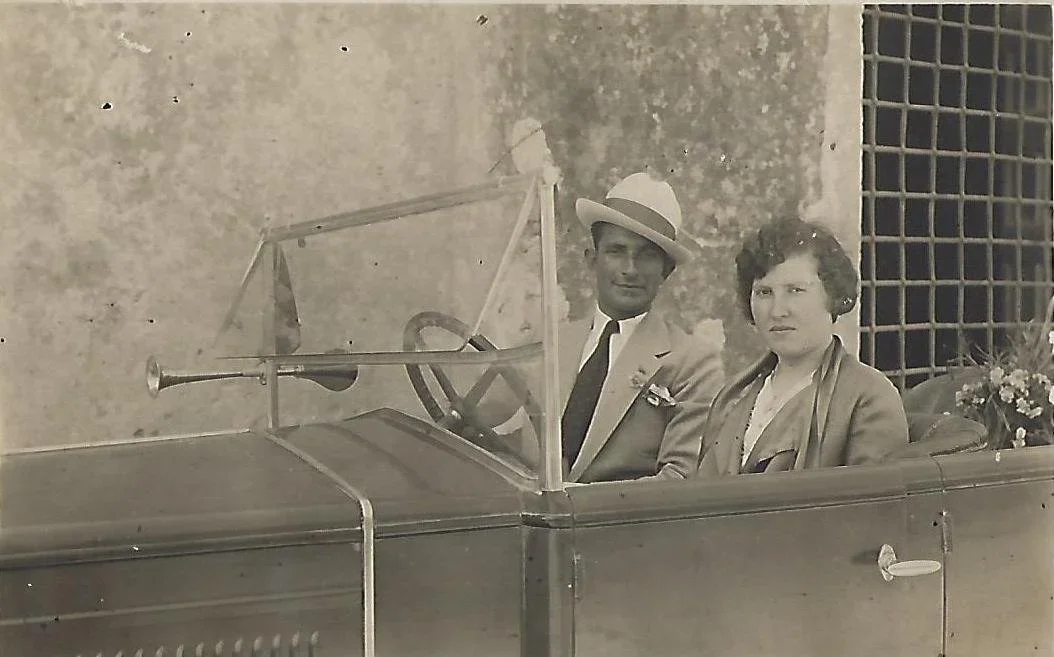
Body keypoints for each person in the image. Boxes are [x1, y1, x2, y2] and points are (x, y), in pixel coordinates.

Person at [478, 172, 724, 483]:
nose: (630, 269)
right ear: (591, 260)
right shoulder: (553, 345)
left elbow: (679, 479)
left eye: (647, 256)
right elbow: (507, 436)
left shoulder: (694, 363)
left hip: (618, 527)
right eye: (616, 251)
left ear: (666, 270)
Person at [695, 217, 908, 476]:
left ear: (832, 295)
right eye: (764, 293)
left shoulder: (868, 396)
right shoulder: (734, 395)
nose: (777, 311)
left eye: (795, 290)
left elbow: (870, 508)